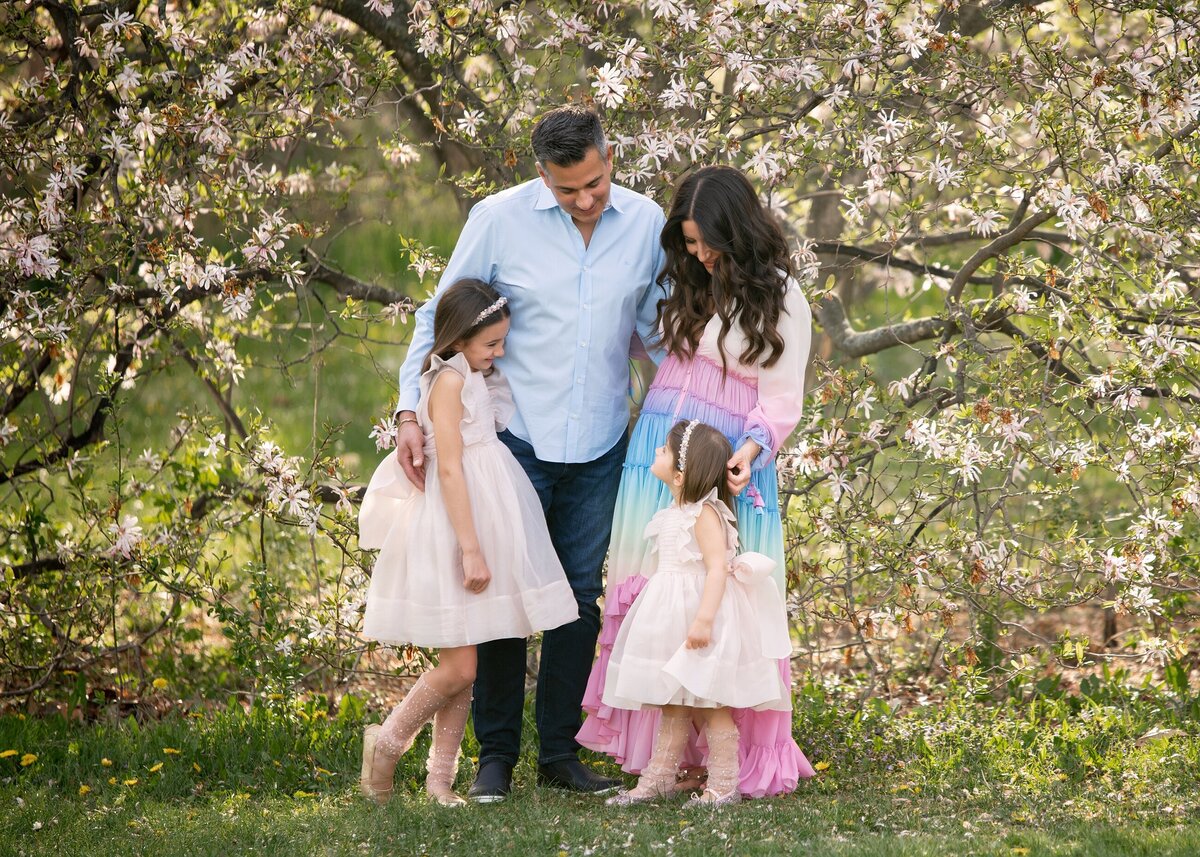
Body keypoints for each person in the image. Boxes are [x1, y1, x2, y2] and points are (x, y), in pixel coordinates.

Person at [392, 106, 667, 801]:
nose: (586, 199)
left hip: (603, 441)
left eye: (597, 182)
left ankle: (561, 753)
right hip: (516, 438)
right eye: (568, 187)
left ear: (610, 156)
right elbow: (441, 313)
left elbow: (656, 333)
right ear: (540, 172)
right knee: (504, 598)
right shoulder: (498, 218)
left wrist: (704, 403)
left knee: (578, 596)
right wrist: (408, 407)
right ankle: (496, 757)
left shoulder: (644, 222)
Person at [578, 165, 818, 797]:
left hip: (725, 459)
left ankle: (732, 761)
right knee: (656, 593)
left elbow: (782, 396)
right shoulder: (685, 282)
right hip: (657, 455)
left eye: (707, 241)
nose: (699, 253)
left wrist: (749, 450)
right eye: (688, 241)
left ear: (737, 230)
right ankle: (660, 756)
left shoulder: (782, 296)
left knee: (726, 596)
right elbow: (641, 342)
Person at [358, 279, 579, 806]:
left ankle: (440, 779)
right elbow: (451, 469)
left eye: (501, 342)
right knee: (461, 666)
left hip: (486, 517)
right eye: (491, 345)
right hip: (459, 529)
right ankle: (386, 745)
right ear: (458, 340)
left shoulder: (467, 374)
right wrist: (471, 547)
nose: (499, 353)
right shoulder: (449, 385)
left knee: (469, 655)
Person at [603, 420, 792, 807]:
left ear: (680, 472)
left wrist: (704, 620)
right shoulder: (672, 511)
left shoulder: (704, 513)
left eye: (664, 451)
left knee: (711, 702)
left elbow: (717, 568)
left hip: (701, 615)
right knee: (672, 701)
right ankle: (657, 777)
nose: (656, 453)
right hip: (670, 614)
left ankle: (723, 784)